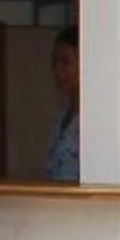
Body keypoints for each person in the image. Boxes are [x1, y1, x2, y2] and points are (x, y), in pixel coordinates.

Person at [46, 26, 79, 182]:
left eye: (66, 62)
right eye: (55, 62)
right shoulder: (61, 119)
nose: (58, 70)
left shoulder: (95, 123)